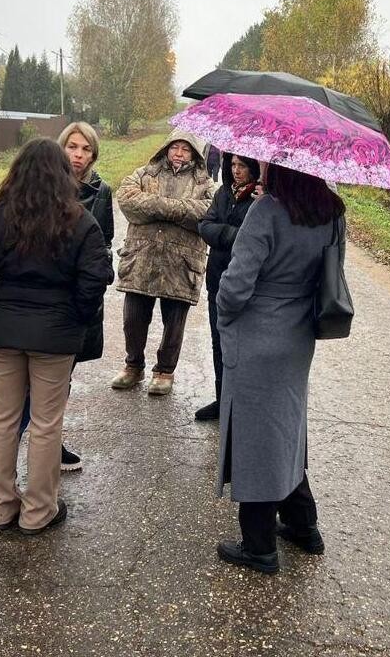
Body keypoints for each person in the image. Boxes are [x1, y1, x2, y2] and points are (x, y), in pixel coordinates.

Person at [0, 138, 112, 534]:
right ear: (62, 174)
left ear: (17, 170)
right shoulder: (79, 220)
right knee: (46, 423)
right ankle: (39, 511)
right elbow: (95, 279)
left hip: (5, 332)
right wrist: (74, 317)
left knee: (4, 420)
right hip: (55, 339)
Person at [214, 164, 345, 573]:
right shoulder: (333, 211)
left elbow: (236, 286)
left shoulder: (267, 210)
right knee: (287, 428)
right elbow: (331, 273)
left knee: (255, 438)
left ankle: (259, 546)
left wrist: (225, 315)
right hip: (299, 334)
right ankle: (303, 525)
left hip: (256, 335)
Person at [17, 121, 114, 471]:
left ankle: (49, 442)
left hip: (78, 298)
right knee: (27, 380)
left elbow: (105, 241)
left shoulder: (102, 191)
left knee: (62, 377)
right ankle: (19, 441)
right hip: (44, 295)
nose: (79, 155)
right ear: (62, 147)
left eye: (86, 149)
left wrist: (105, 268)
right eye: (73, 146)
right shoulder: (42, 186)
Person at [111, 129, 214, 395]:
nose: (179, 154)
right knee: (133, 319)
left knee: (174, 322)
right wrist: (178, 208)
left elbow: (207, 213)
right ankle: (133, 366)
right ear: (165, 149)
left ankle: (165, 370)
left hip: (181, 262)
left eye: (186, 149)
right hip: (142, 257)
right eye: (175, 148)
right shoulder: (145, 173)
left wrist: (159, 208)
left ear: (194, 154)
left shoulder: (205, 183)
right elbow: (127, 199)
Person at [195, 153, 262, 422]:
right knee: (218, 343)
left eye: (242, 165)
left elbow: (258, 240)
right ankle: (223, 400)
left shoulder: (261, 199)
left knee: (243, 347)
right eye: (233, 165)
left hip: (246, 286)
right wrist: (235, 236)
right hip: (217, 280)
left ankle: (242, 405)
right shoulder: (223, 193)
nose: (236, 170)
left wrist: (226, 235)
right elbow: (205, 225)